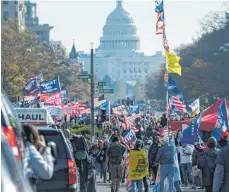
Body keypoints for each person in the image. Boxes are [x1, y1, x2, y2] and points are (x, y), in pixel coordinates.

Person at [23, 124, 54, 192]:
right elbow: (47, 173)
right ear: (33, 137)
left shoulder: (16, 147)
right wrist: (46, 149)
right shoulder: (30, 149)